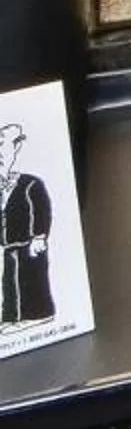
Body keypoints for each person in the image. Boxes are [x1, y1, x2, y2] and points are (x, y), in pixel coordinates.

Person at [0, 124, 52, 325]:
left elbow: (42, 210)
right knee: (10, 282)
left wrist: (39, 236)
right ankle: (12, 316)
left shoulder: (30, 183)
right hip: (9, 246)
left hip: (28, 244)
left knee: (32, 278)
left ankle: (36, 314)